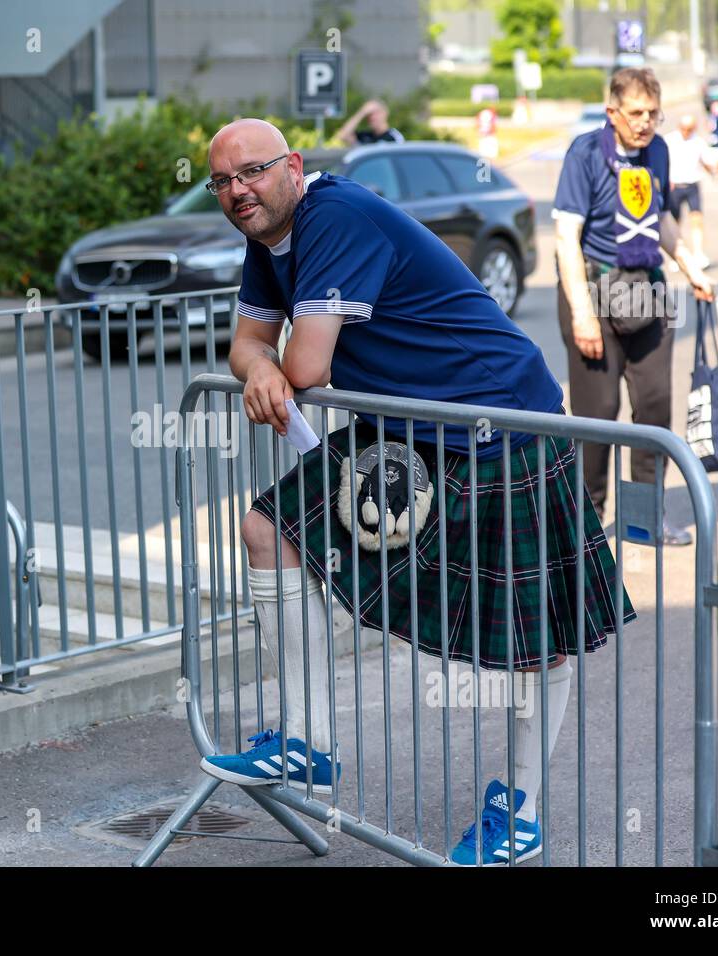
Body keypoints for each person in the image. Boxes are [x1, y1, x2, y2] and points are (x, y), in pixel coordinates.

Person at [202, 117, 634, 865]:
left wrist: (275, 368)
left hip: (500, 421)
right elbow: (247, 346)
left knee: (532, 638)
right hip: (406, 430)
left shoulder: (329, 216)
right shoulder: (266, 238)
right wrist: (259, 367)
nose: (239, 190)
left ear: (293, 168)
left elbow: (304, 367)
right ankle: (308, 742)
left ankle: (523, 810)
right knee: (266, 531)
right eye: (223, 181)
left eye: (253, 172)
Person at [552, 68, 715, 547]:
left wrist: (690, 265)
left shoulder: (658, 151)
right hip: (592, 293)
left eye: (652, 113)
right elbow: (566, 238)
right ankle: (587, 526)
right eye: (636, 113)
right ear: (613, 113)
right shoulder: (584, 154)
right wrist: (582, 313)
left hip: (647, 293)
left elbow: (659, 215)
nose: (645, 123)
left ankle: (644, 520)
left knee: (654, 409)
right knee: (597, 414)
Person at [666, 115, 718, 270]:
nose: (686, 132)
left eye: (689, 129)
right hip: (674, 185)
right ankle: (676, 255)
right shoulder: (670, 141)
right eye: (683, 129)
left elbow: (706, 161)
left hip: (692, 184)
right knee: (675, 222)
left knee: (696, 218)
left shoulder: (698, 142)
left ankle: (698, 253)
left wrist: (715, 169)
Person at [335, 98, 406, 146]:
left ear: (385, 113)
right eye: (369, 114)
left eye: (376, 113)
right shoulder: (364, 136)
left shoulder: (393, 137)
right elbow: (342, 135)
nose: (372, 118)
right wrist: (361, 112)